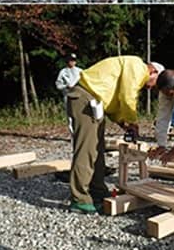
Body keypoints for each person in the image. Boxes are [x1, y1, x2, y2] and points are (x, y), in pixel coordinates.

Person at [65, 57, 163, 214]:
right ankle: (80, 199)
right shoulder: (137, 66)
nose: (152, 88)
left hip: (94, 102)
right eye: (156, 83)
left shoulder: (131, 71)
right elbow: (127, 96)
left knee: (97, 149)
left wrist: (123, 123)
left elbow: (113, 103)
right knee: (87, 150)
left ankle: (97, 191)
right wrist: (132, 122)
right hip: (85, 99)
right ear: (154, 71)